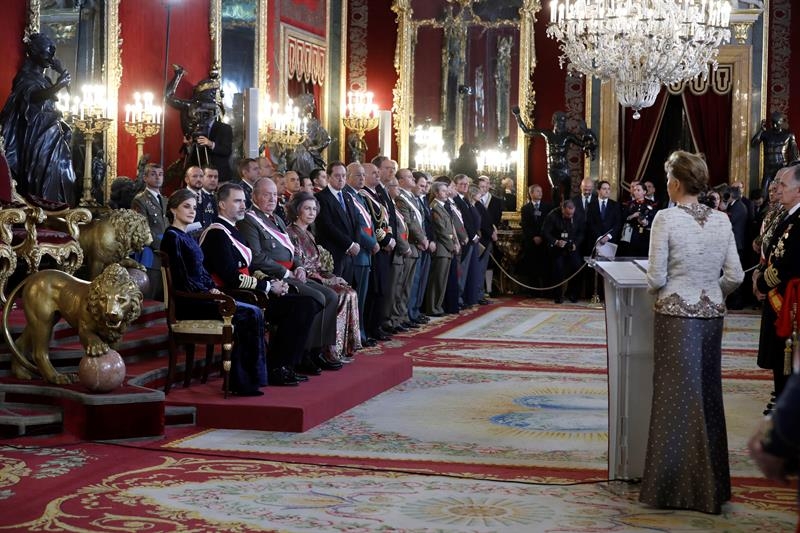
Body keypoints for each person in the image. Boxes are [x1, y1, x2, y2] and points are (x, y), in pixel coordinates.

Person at [640, 150, 744, 515]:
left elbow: (655, 278)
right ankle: (711, 488)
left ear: (676, 182)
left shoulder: (665, 219)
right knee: (706, 396)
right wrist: (711, 291)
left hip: (674, 316)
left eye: (669, 177)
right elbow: (736, 276)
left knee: (674, 402)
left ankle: (673, 490)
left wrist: (667, 290)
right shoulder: (722, 221)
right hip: (711, 315)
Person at [200, 182, 322, 386]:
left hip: (248, 292)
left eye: (243, 201)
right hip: (231, 297)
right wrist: (267, 287)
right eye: (237, 201)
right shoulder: (216, 233)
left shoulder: (233, 231)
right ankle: (277, 367)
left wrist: (272, 282)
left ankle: (283, 364)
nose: (242, 205)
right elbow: (232, 277)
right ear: (221, 204)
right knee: (302, 306)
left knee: (307, 303)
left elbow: (249, 268)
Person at [160, 188, 268, 396]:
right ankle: (241, 382)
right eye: (186, 207)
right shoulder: (172, 237)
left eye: (194, 207)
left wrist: (213, 288)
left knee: (252, 310)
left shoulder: (186, 236)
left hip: (204, 296)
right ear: (173, 209)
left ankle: (250, 379)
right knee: (249, 313)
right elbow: (183, 279)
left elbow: (201, 272)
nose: (192, 211)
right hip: (190, 303)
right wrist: (209, 292)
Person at [237, 177, 343, 370]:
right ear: (254, 196)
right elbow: (257, 257)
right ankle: (302, 354)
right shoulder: (249, 220)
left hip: (293, 272)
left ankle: (316, 350)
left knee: (331, 296)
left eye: (275, 195)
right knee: (318, 297)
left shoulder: (276, 219)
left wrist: (300, 266)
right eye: (266, 195)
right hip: (273, 276)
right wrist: (286, 272)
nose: (272, 199)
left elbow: (292, 250)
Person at [286, 192, 364, 360]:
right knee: (341, 295)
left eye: (314, 209)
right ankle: (326, 350)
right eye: (307, 208)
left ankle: (341, 348)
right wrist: (328, 280)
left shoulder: (308, 233)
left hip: (317, 276)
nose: (312, 212)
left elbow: (318, 264)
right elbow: (301, 265)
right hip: (304, 279)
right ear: (297, 210)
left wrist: (333, 276)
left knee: (349, 291)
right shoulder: (291, 233)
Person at [0, 33, 76, 204]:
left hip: (52, 129)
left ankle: (58, 209)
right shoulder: (24, 76)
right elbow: (32, 97)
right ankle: (43, 209)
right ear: (33, 53)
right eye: (46, 53)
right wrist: (58, 86)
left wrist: (61, 71)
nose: (50, 58)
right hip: (37, 132)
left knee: (63, 170)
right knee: (43, 171)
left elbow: (69, 92)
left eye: (52, 54)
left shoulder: (45, 78)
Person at [753, 162, 800, 411]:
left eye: (783, 185)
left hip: (788, 299)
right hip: (777, 296)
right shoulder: (787, 215)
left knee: (787, 355)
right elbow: (772, 252)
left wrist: (761, 281)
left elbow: (788, 263)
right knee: (779, 354)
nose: (777, 189)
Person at [512, 107, 597, 205]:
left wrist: (588, 134)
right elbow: (527, 131)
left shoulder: (567, 135)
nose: (561, 124)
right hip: (552, 168)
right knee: (555, 188)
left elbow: (582, 144)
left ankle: (566, 210)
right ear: (554, 121)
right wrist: (517, 116)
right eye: (559, 121)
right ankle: (555, 210)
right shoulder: (547, 134)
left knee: (567, 192)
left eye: (563, 122)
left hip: (565, 168)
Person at [165, 65, 233, 181]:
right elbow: (169, 98)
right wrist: (189, 144)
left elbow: (226, 150)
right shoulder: (191, 105)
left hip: (218, 176)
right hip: (196, 168)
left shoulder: (224, 128)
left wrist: (210, 144)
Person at [131, 163, 168, 299]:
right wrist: (163, 245)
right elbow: (143, 228)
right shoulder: (140, 200)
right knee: (149, 295)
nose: (158, 177)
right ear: (145, 178)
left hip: (165, 253)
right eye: (153, 174)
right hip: (151, 254)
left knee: (164, 296)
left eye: (160, 174)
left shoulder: (165, 200)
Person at [542, 200, 583, 303]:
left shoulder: (578, 215)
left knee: (577, 267)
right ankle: (558, 295)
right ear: (562, 209)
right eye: (567, 214)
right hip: (557, 247)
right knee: (558, 269)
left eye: (571, 214)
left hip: (572, 246)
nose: (570, 216)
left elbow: (581, 232)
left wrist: (576, 244)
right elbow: (545, 232)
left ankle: (573, 294)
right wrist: (555, 241)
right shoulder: (552, 215)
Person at [752, 111, 799, 199]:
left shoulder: (788, 135)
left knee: (782, 193)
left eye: (776, 123)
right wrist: (761, 130)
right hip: (768, 170)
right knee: (764, 194)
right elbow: (753, 143)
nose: (774, 126)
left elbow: (795, 155)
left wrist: (791, 169)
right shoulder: (766, 134)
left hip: (782, 168)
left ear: (781, 122)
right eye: (773, 123)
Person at [619, 182, 656, 257]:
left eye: (638, 190)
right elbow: (623, 218)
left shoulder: (651, 204)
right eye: (635, 190)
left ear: (644, 192)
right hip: (631, 236)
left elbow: (655, 220)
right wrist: (632, 216)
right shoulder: (629, 204)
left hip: (645, 236)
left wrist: (646, 223)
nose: (635, 192)